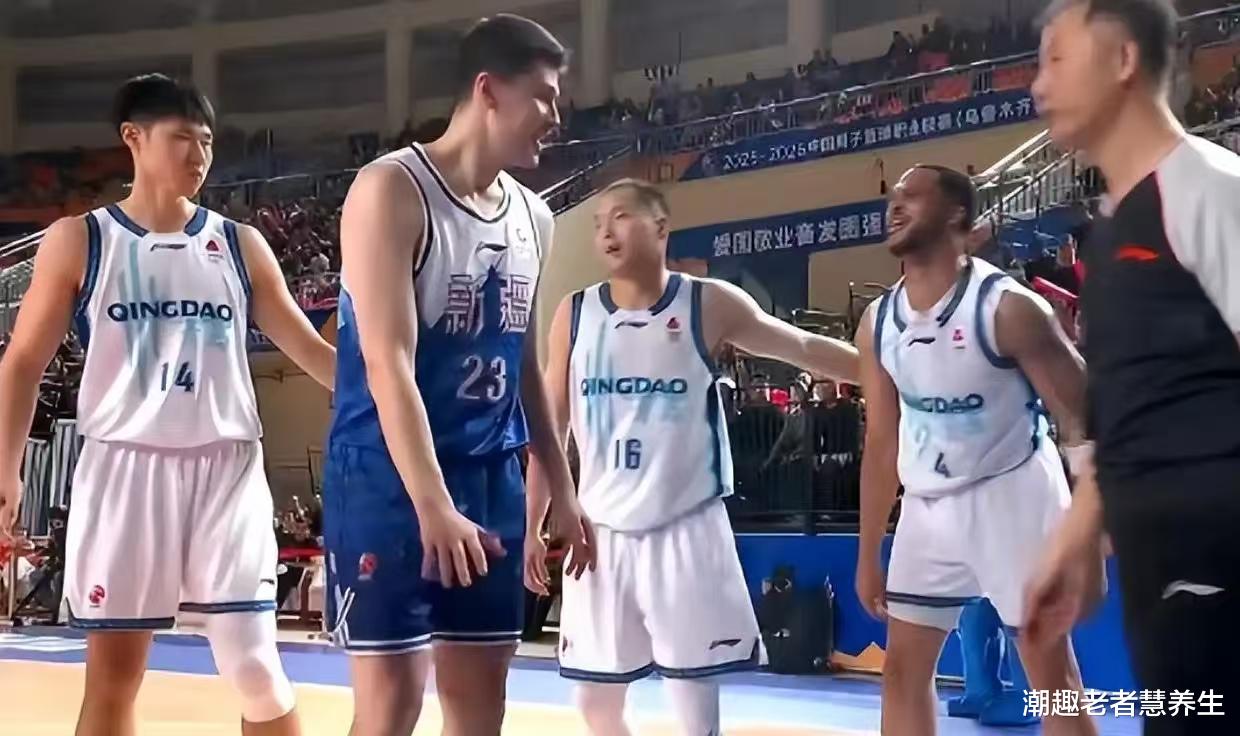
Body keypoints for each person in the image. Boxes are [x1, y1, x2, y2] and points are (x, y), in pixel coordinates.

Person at [0, 74, 336, 735]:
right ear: (134, 138)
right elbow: (22, 363)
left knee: (256, 668)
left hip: (226, 468)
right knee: (114, 681)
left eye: (207, 141)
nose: (199, 154)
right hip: (125, 469)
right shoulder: (82, 239)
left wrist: (396, 395)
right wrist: (7, 468)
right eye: (182, 138)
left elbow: (315, 355)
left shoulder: (240, 244)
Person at [324, 14, 593, 736]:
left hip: (491, 475)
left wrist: (562, 491)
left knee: (480, 706)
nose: (556, 117)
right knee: (392, 706)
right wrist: (432, 503)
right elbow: (387, 361)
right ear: (488, 90)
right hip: (387, 478)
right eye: (544, 96)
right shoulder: (390, 189)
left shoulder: (535, 217)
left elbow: (524, 367)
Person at [526, 178, 860, 736]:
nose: (606, 231)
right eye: (598, 221)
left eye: (621, 216)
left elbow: (800, 346)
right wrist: (534, 524)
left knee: (692, 697)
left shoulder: (707, 303)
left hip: (685, 524)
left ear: (660, 227)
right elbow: (550, 427)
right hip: (599, 532)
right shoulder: (575, 314)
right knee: (594, 703)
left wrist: (888, 372)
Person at [1026, 2, 1240, 733]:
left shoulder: (1209, 189)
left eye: (1057, 58)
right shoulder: (1113, 233)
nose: (1038, 85)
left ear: (1123, 61)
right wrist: (1079, 535)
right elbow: (1128, 409)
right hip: (1160, 576)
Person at [854, 165, 1098, 736]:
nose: (894, 206)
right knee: (901, 672)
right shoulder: (877, 322)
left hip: (1014, 495)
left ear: (957, 214)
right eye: (892, 197)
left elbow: (1083, 417)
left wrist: (1087, 533)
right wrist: (867, 554)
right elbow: (881, 442)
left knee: (1051, 675)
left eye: (912, 196)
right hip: (928, 506)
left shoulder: (1009, 308)